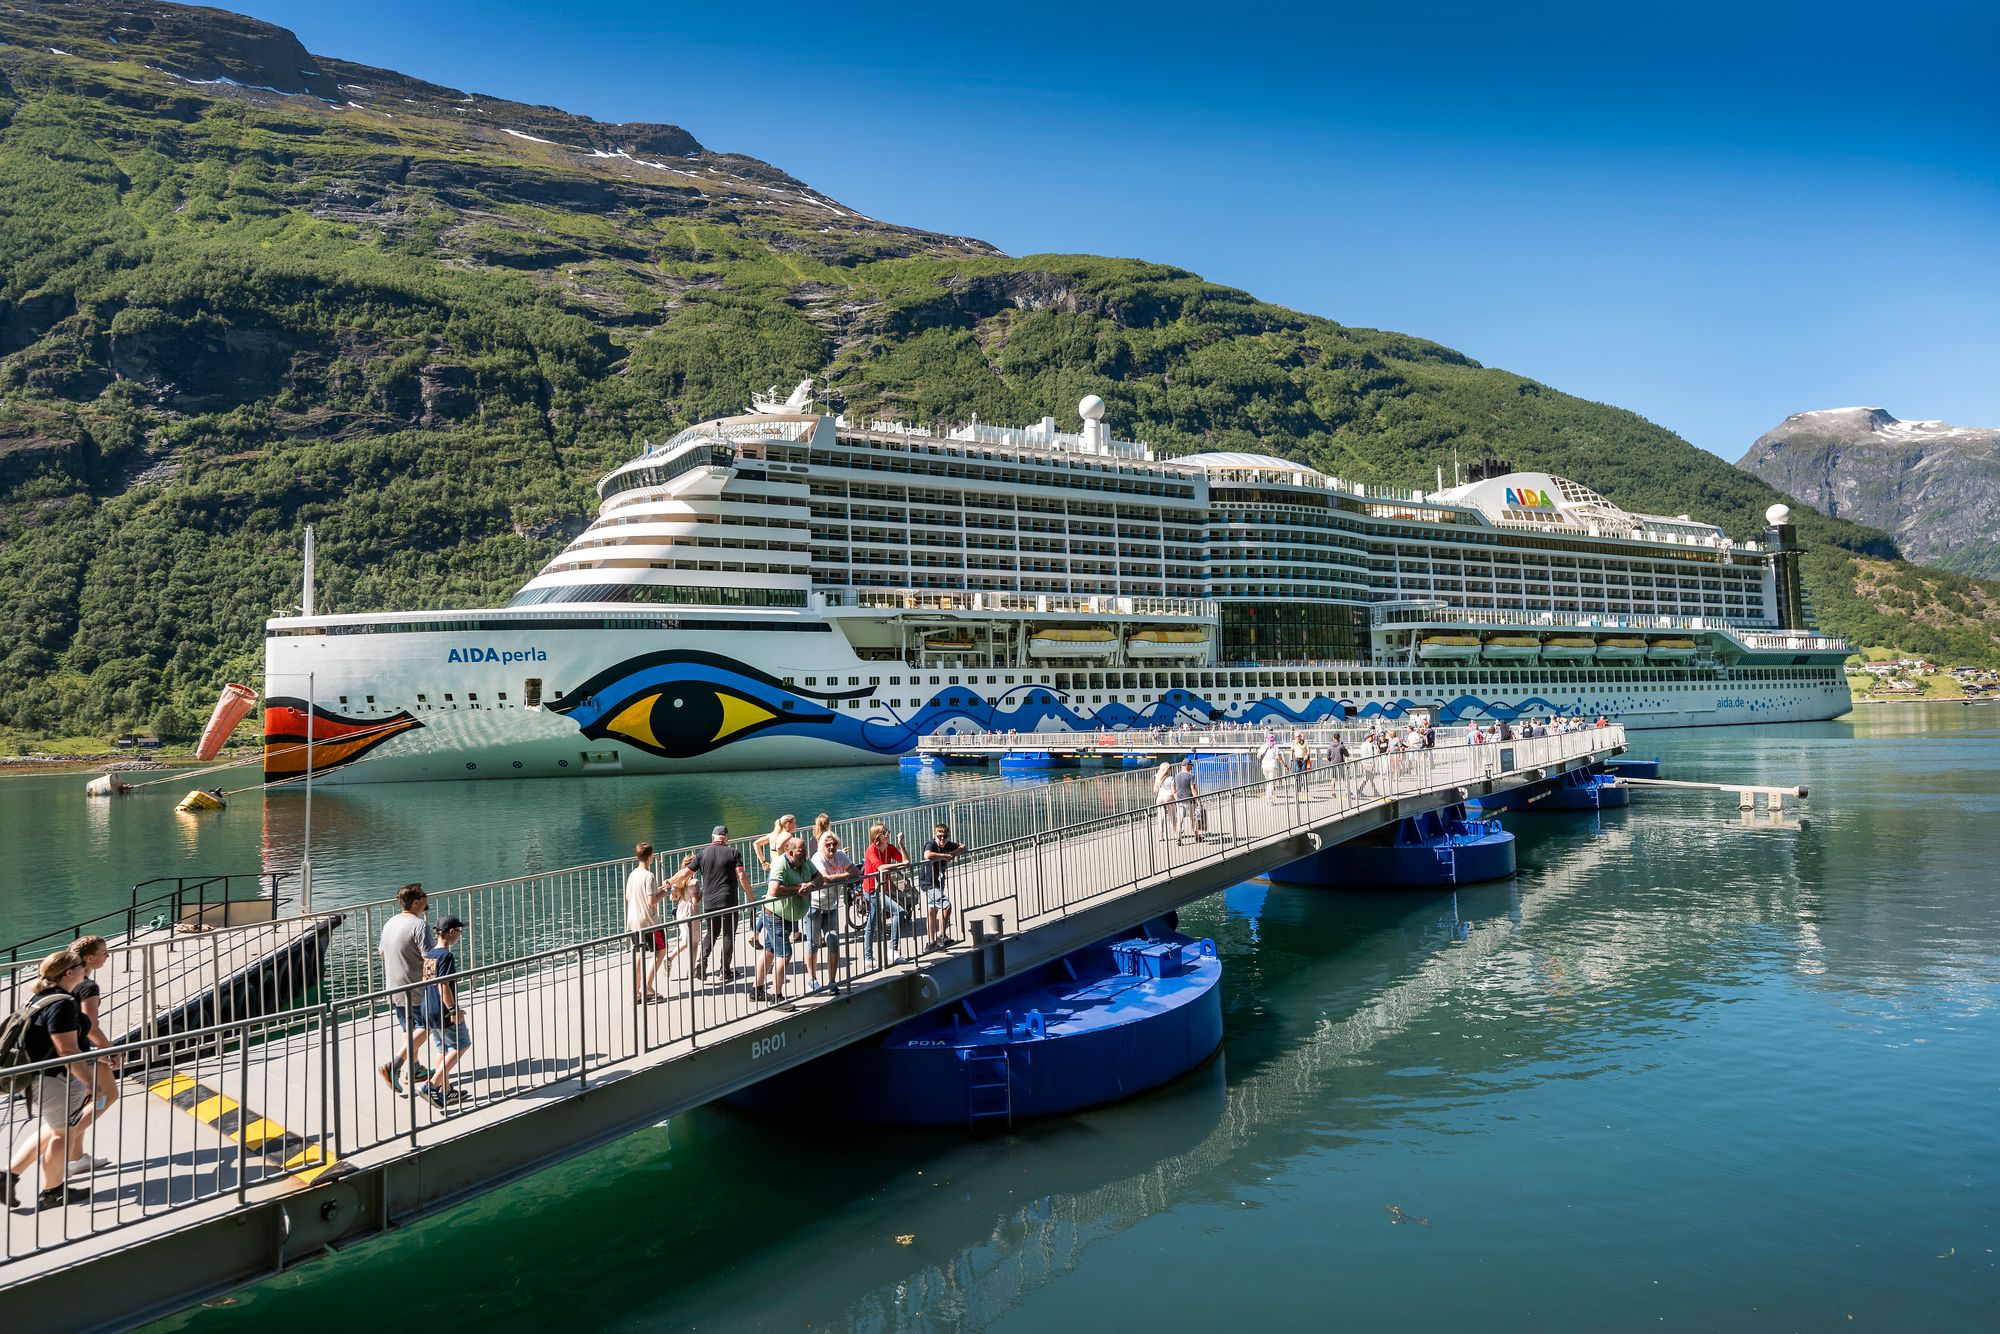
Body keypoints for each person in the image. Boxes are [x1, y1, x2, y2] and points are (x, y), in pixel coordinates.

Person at [4, 950, 91, 1211]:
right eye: (80, 964)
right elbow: (66, 1049)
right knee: (61, 1135)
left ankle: (8, 1177)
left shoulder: (40, 998)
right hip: (56, 1079)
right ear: (69, 972)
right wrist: (89, 1082)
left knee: (57, 1130)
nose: (84, 967)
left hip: (42, 1079)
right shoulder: (62, 1003)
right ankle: (52, 1192)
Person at [64, 935, 119, 1176]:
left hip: (65, 1050)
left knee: (85, 1102)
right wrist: (109, 1050)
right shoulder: (88, 986)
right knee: (107, 1095)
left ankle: (77, 1158)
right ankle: (65, 1137)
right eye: (104, 952)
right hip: (85, 1051)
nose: (107, 956)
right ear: (89, 958)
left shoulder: (64, 979)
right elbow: (91, 1026)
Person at [377, 883, 435, 1092]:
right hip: (416, 987)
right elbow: (430, 957)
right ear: (417, 901)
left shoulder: (390, 922)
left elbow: (382, 953)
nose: (427, 898)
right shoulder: (420, 926)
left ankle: (415, 1068)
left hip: (394, 985)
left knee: (409, 1029)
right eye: (424, 895)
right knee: (427, 1025)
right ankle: (394, 1065)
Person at [418, 916, 471, 1110]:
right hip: (442, 1009)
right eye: (459, 931)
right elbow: (444, 986)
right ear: (450, 932)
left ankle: (445, 1090)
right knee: (461, 1044)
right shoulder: (446, 956)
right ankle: (430, 1086)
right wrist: (453, 1010)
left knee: (442, 1049)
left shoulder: (430, 954)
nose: (459, 935)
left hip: (428, 1007)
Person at [758, 836, 819, 1003]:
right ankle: (777, 997)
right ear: (791, 852)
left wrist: (811, 885)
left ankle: (756, 990)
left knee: (770, 951)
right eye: (801, 851)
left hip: (789, 915)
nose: (805, 853)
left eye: (805, 850)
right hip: (775, 915)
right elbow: (774, 889)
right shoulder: (780, 864)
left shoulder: (805, 862)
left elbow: (819, 877)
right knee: (784, 954)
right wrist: (798, 888)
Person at [694, 826, 751, 986]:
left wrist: (670, 882)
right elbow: (740, 875)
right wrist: (750, 897)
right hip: (728, 901)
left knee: (711, 933)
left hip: (709, 901)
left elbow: (686, 872)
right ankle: (725, 971)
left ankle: (702, 960)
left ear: (713, 838)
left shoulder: (703, 853)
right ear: (726, 837)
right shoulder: (733, 853)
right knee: (728, 935)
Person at [807, 831, 857, 993]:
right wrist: (845, 875)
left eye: (834, 844)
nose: (831, 847)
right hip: (814, 906)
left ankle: (832, 982)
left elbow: (856, 872)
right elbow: (826, 878)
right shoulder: (817, 858)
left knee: (833, 942)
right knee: (813, 944)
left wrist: (842, 875)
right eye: (828, 844)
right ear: (822, 846)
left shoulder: (840, 855)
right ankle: (812, 979)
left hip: (831, 906)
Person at [625, 842, 670, 1002]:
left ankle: (636, 992)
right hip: (650, 922)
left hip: (633, 921)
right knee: (661, 951)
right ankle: (647, 986)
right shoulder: (649, 876)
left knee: (638, 955)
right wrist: (663, 893)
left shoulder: (632, 875)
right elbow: (651, 901)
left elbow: (628, 897)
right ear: (650, 857)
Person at [860, 824, 909, 963]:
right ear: (877, 836)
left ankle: (868, 958)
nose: (887, 834)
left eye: (887, 831)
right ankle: (892, 951)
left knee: (872, 922)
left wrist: (902, 845)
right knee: (898, 912)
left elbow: (905, 860)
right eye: (883, 832)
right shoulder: (871, 850)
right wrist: (900, 865)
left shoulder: (890, 847)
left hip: (882, 888)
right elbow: (881, 867)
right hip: (872, 890)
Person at [920, 822, 967, 950]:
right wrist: (945, 856)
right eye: (939, 836)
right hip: (928, 883)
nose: (942, 839)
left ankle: (931, 943)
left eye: (945, 836)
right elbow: (927, 855)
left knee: (932, 910)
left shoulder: (947, 844)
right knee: (946, 905)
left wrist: (954, 852)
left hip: (939, 882)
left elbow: (964, 847)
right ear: (934, 835)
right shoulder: (931, 844)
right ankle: (941, 936)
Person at [663, 852, 699, 979]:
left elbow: (673, 897)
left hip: (681, 910)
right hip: (690, 911)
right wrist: (701, 896)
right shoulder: (694, 882)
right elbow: (695, 902)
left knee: (686, 939)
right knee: (694, 941)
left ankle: (670, 957)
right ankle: (692, 968)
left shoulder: (679, 881)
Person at [1171, 760, 1199, 843]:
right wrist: (1198, 800)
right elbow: (1193, 789)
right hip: (1190, 801)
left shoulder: (1176, 776)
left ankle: (1178, 838)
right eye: (1190, 765)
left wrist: (1176, 798)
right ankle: (1197, 837)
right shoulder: (1191, 776)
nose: (1191, 767)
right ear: (1187, 766)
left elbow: (1173, 788)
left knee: (1180, 820)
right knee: (1194, 819)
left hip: (1180, 801)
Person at [1155, 760, 1180, 835]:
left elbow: (1155, 790)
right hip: (1168, 797)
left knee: (1160, 816)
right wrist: (1177, 799)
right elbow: (1173, 790)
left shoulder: (1157, 776)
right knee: (1173, 816)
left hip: (1160, 797)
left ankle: (1160, 835)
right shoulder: (1171, 778)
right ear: (1168, 769)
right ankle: (1177, 833)